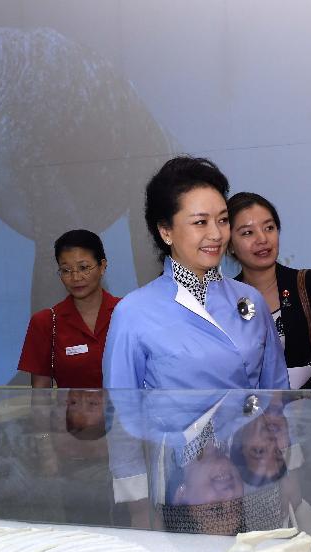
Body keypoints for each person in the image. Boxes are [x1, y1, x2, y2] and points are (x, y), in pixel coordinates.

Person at [102, 156, 288, 390]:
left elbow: (276, 392)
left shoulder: (251, 299)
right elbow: (122, 406)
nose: (216, 234)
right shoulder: (134, 312)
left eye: (222, 220)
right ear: (166, 231)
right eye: (200, 222)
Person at [227, 192, 311, 389]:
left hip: (308, 404)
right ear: (230, 244)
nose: (262, 239)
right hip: (251, 406)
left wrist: (301, 399)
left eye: (269, 228)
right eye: (248, 233)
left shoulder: (308, 284)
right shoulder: (225, 298)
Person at [18, 229, 120, 388]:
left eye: (84, 268)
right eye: (66, 270)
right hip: (70, 405)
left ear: (102, 266)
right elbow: (40, 396)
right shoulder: (46, 322)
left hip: (125, 405)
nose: (75, 278)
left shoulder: (126, 312)